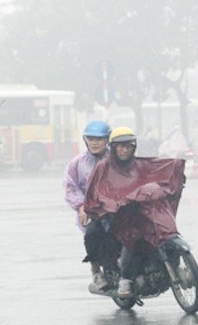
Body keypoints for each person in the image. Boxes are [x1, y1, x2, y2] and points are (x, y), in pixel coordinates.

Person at [84, 126, 186, 298]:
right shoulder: (103, 167)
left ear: (134, 148)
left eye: (128, 146)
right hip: (114, 216)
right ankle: (123, 277)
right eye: (120, 146)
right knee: (119, 235)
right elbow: (95, 191)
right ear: (113, 148)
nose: (124, 150)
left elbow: (159, 169)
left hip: (137, 213)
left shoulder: (139, 164)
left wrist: (176, 168)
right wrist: (112, 204)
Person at [63, 120, 112, 293]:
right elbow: (70, 187)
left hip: (117, 208)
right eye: (91, 139)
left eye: (99, 139)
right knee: (92, 235)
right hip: (92, 211)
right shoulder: (77, 163)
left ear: (107, 140)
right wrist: (81, 206)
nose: (95, 142)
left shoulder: (117, 158)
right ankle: (96, 272)